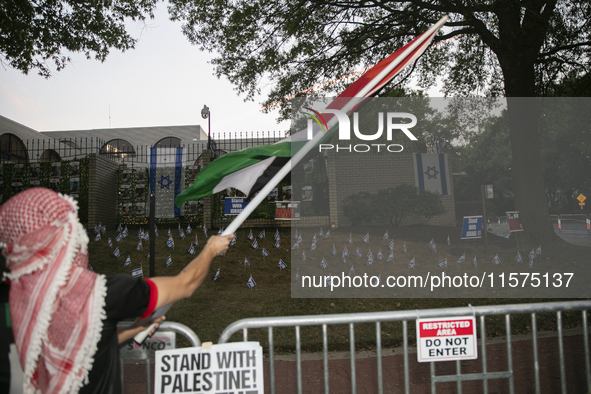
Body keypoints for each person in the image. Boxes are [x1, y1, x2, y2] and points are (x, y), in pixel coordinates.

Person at [0, 188, 232, 393]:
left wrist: (133, 330)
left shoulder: (10, 300)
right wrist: (210, 250)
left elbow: (87, 342)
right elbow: (185, 284)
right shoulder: (98, 295)